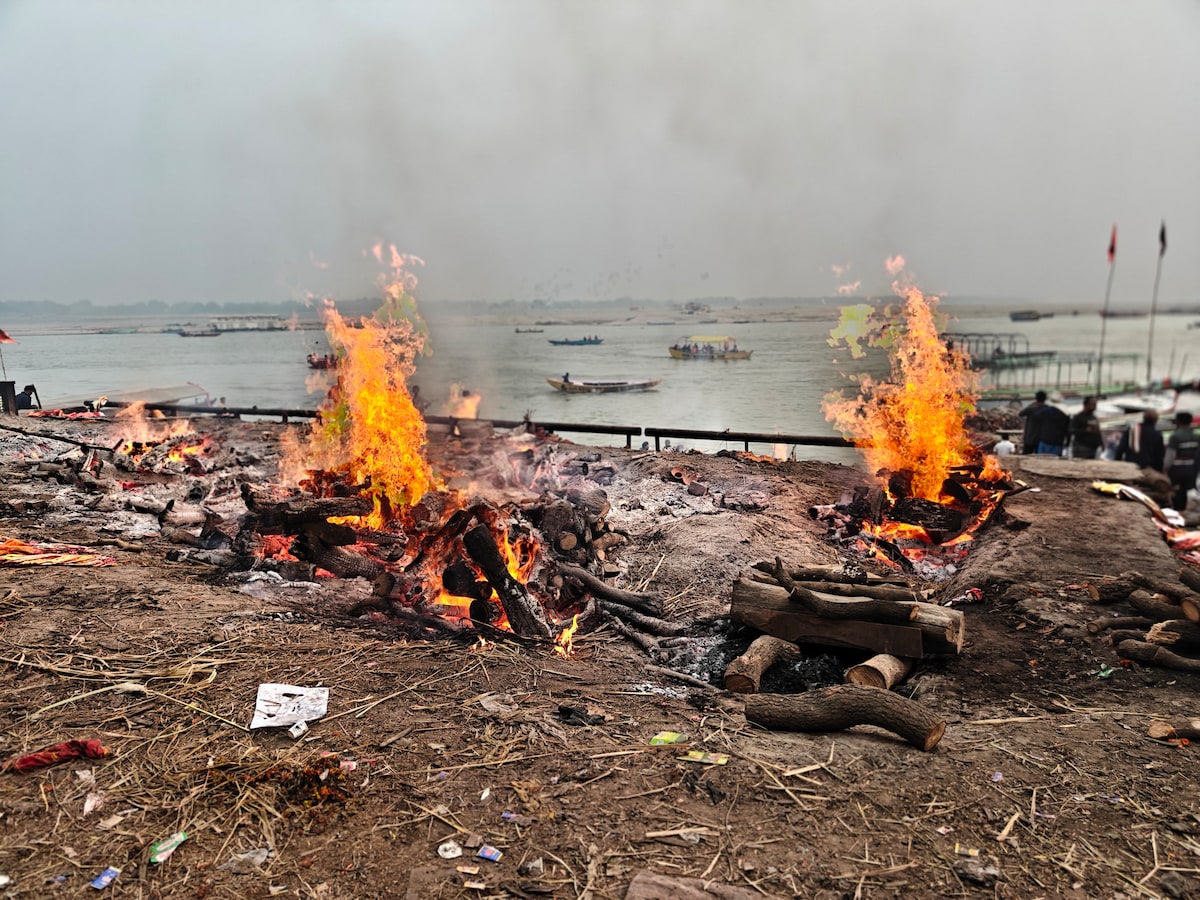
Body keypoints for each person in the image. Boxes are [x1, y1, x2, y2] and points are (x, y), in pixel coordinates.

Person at [1163, 411, 1199, 511]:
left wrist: (1165, 468)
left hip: (1177, 471)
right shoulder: (1196, 437)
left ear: (1178, 422)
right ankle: (1184, 511)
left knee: (1177, 493)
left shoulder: (1175, 437)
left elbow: (1170, 456)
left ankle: (1178, 511)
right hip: (1191, 470)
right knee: (1187, 492)